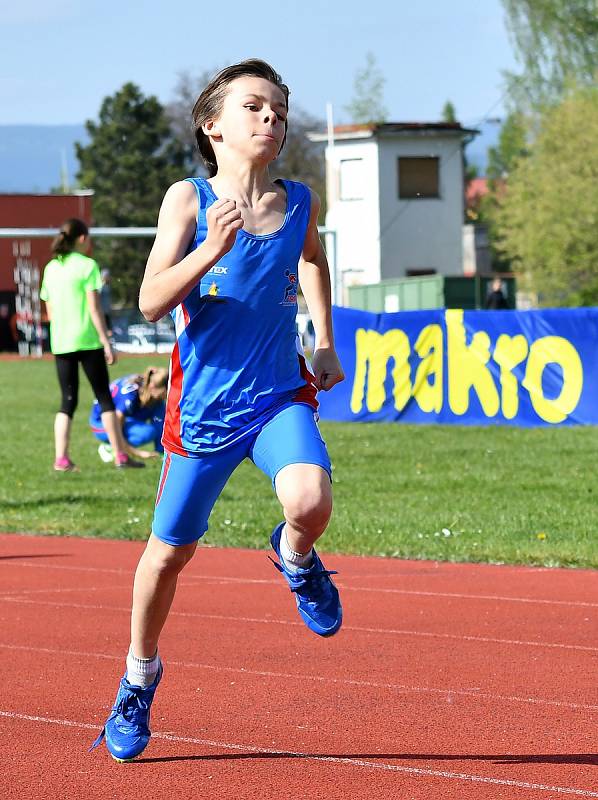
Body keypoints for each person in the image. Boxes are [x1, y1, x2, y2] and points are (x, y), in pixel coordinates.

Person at [91, 59, 345, 762]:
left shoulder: (299, 201)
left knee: (311, 498)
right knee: (168, 555)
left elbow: (314, 261)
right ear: (214, 126)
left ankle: (295, 557)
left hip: (276, 394)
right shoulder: (189, 198)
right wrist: (210, 249)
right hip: (202, 409)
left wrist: (323, 341)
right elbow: (149, 301)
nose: (272, 119)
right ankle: (139, 678)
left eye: (280, 111)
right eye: (255, 107)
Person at [39, 219, 144, 471]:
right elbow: (95, 309)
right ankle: (120, 456)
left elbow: (50, 312)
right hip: (86, 340)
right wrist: (106, 341)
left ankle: (61, 459)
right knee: (104, 398)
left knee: (67, 401)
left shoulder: (51, 268)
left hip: (61, 342)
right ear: (83, 239)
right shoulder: (88, 266)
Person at [90, 366, 168, 461]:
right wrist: (138, 453)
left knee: (159, 406)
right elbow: (115, 426)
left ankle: (161, 451)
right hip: (102, 424)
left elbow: (160, 421)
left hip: (126, 417)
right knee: (147, 432)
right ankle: (112, 447)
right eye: (165, 390)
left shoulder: (147, 385)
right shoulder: (130, 396)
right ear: (152, 386)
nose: (167, 394)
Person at [100, 268, 113, 335]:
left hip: (107, 312)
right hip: (102, 312)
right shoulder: (100, 286)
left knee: (109, 331)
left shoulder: (108, 286)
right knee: (106, 330)